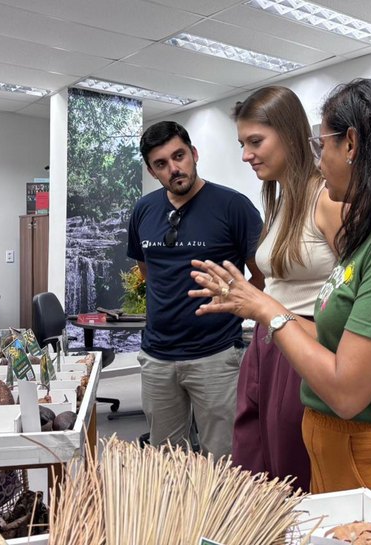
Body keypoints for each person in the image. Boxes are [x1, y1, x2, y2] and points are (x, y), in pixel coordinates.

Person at [189, 79, 371, 541]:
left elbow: (347, 390)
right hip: (343, 463)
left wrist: (269, 311)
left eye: (324, 144)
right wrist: (255, 305)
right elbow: (337, 337)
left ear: (352, 144)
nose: (319, 159)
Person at [128, 120, 263, 460]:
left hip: (215, 355)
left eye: (179, 156)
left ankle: (228, 515)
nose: (174, 168)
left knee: (227, 459)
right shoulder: (144, 210)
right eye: (161, 163)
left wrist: (232, 298)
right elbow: (147, 270)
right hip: (158, 357)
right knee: (167, 461)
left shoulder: (233, 206)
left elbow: (261, 278)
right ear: (151, 170)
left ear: (194, 153)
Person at [230, 86, 343, 491]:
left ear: (290, 135)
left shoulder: (327, 201)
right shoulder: (279, 202)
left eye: (255, 141)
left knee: (293, 468)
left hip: (304, 342)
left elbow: (355, 292)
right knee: (255, 463)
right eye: (243, 143)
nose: (246, 154)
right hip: (267, 343)